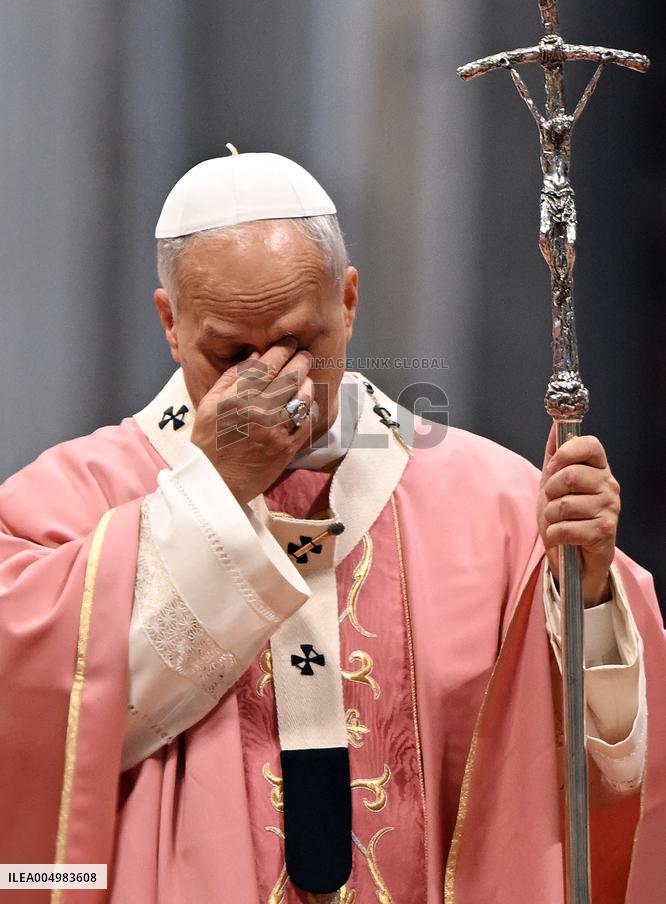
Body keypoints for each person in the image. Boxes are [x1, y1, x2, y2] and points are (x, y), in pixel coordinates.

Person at [1, 150, 664, 904]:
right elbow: (34, 745)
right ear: (170, 324)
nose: (270, 379)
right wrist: (214, 491)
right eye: (232, 353)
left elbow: (592, 775)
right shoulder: (65, 508)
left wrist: (585, 600)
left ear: (347, 302)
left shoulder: (500, 508)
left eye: (299, 343)